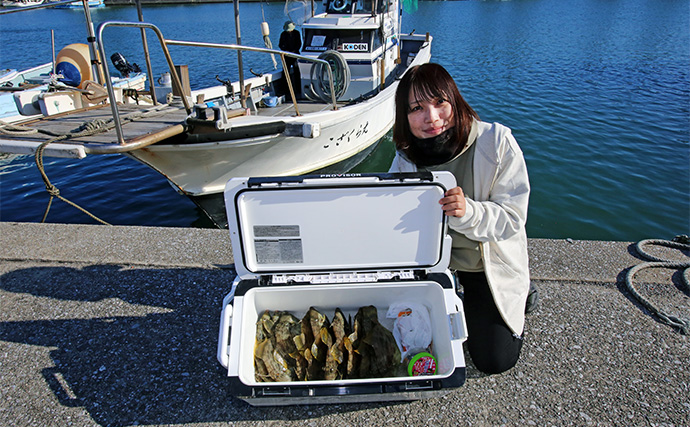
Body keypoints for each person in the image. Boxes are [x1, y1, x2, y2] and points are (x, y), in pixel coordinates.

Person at [388, 63, 537, 375]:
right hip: (435, 265)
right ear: (404, 117)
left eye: (440, 103)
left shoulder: (496, 143)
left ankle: (521, 292)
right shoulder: (404, 157)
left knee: (494, 360)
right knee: (404, 337)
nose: (431, 117)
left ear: (455, 101)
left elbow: (512, 219)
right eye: (416, 108)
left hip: (485, 263)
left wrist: (468, 212)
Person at [278, 21, 302, 99]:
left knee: (296, 72)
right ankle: (285, 90)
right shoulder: (283, 34)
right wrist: (285, 51)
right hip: (286, 55)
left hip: (294, 55)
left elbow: (299, 44)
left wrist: (294, 51)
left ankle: (298, 89)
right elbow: (280, 45)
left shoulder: (296, 33)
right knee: (285, 72)